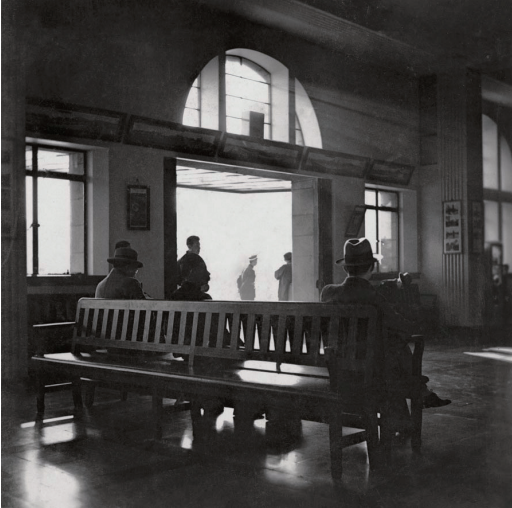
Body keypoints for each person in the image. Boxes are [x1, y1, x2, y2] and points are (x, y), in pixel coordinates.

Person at [320, 237, 451, 409]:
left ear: (345, 268)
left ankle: (421, 393)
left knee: (390, 343)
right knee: (396, 343)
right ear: (372, 267)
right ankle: (420, 392)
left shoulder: (327, 292)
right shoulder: (373, 296)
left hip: (338, 367)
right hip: (371, 371)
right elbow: (403, 325)